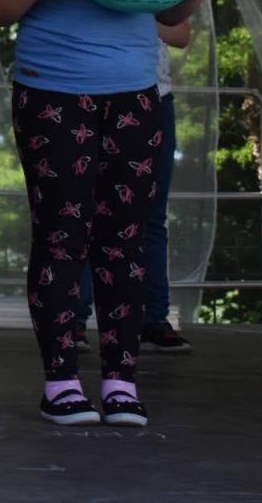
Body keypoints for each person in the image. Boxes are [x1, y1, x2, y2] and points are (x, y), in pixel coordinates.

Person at [0, 0, 222, 428]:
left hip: (136, 97)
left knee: (124, 240)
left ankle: (120, 380)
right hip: (52, 96)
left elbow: (170, 18)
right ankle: (61, 380)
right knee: (63, 236)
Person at [75, 24, 193, 354]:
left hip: (154, 95)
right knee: (81, 211)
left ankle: (153, 318)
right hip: (85, 93)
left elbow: (181, 35)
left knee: (150, 215)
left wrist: (136, 10)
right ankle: (74, 320)